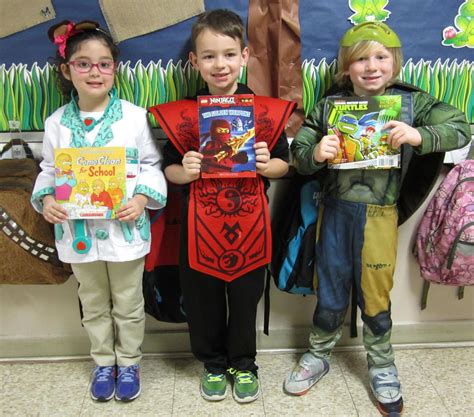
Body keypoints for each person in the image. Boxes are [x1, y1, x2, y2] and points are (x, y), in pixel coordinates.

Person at [284, 21, 470, 416]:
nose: (371, 67)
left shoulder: (412, 103)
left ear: (395, 62)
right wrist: (317, 152)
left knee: (375, 294)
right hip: (334, 212)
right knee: (330, 289)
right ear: (346, 67)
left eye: (381, 57)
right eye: (361, 59)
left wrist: (419, 137)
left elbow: (459, 128)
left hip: (381, 217)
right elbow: (299, 153)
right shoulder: (330, 106)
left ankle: (382, 363)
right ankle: (318, 353)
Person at [149, 9, 295, 404]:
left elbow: (284, 164)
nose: (220, 64)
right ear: (194, 61)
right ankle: (213, 363)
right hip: (199, 227)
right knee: (203, 301)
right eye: (209, 56)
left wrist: (269, 163)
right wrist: (187, 170)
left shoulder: (262, 110)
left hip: (250, 225)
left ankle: (244, 364)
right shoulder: (184, 114)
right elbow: (167, 170)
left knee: (246, 300)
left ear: (245, 56)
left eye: (229, 54)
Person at [31, 20, 167, 403]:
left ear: (115, 69)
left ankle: (129, 362)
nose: (95, 72)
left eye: (104, 64)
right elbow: (49, 171)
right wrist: (47, 200)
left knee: (128, 302)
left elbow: (151, 166)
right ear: (66, 70)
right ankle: (103, 362)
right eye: (84, 64)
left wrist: (141, 199)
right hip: (79, 233)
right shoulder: (56, 123)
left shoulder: (134, 117)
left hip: (125, 231)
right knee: (92, 302)